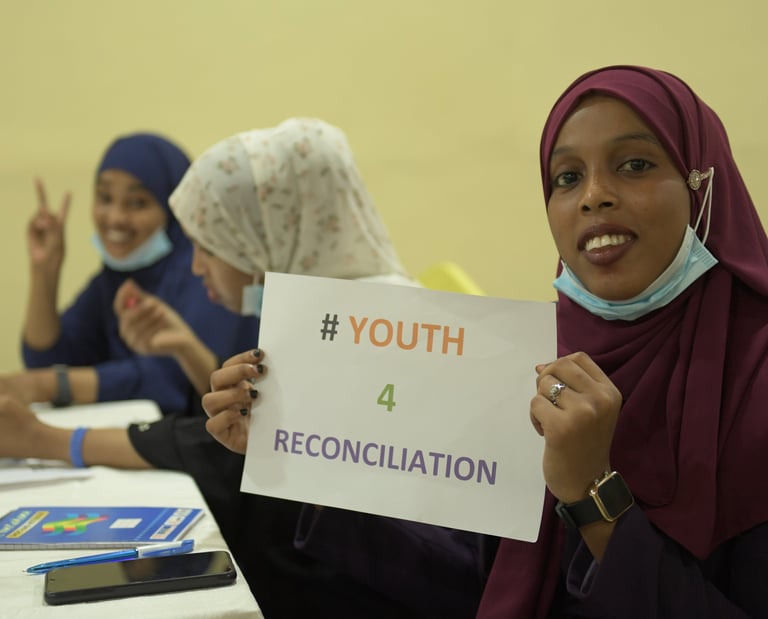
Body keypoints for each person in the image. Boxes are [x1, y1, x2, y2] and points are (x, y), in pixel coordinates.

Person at [0, 118, 495, 618]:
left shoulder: (357, 327)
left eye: (209, 246)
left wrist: (49, 440)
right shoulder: (339, 308)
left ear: (262, 237)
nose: (196, 266)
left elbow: (225, 462)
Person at [471, 66, 768, 617]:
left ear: (703, 185)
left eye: (635, 165)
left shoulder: (756, 383)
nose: (594, 197)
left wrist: (593, 494)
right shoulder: (540, 373)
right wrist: (304, 470)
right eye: (567, 177)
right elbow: (472, 581)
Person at [3, 133, 255, 413]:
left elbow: (173, 382)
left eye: (137, 203)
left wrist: (47, 385)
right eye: (105, 198)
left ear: (174, 208)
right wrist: (44, 272)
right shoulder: (114, 278)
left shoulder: (209, 274)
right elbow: (47, 362)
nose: (115, 218)